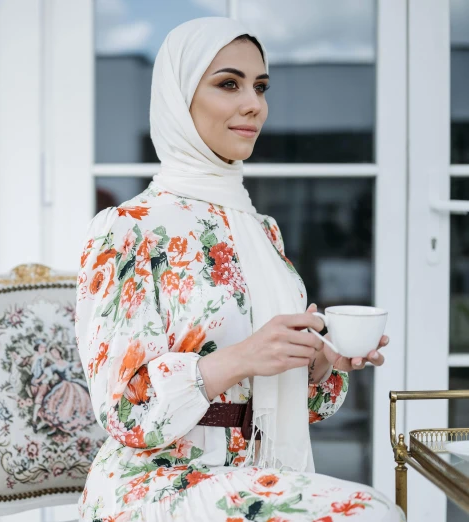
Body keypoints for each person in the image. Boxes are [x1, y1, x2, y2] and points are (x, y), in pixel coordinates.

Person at [74, 17, 403, 522]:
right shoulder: (127, 228)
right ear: (178, 100)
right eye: (229, 84)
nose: (255, 104)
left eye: (261, 86)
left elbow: (295, 404)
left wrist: (320, 361)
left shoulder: (261, 228)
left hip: (253, 468)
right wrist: (243, 357)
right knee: (369, 512)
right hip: (158, 480)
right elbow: (125, 412)